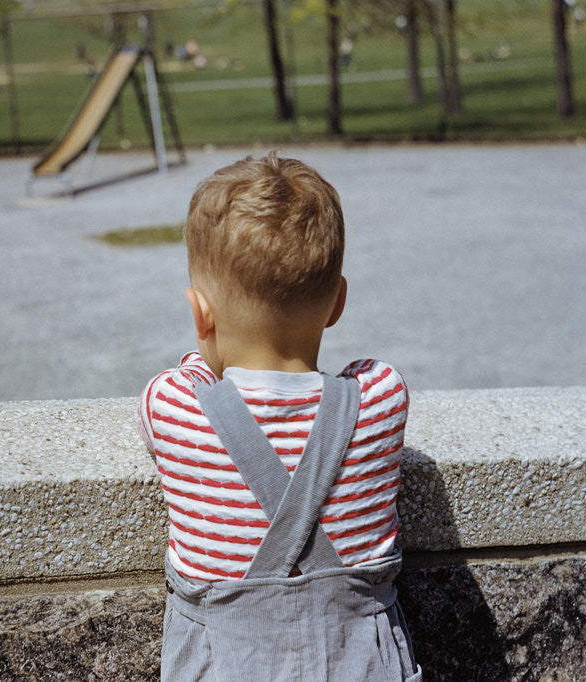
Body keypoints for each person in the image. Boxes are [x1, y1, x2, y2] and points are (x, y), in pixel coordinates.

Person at [138, 152, 420, 681]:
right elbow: (366, 371)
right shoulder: (382, 400)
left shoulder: (172, 406)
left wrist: (209, 349)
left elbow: (189, 375)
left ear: (200, 313)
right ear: (337, 303)